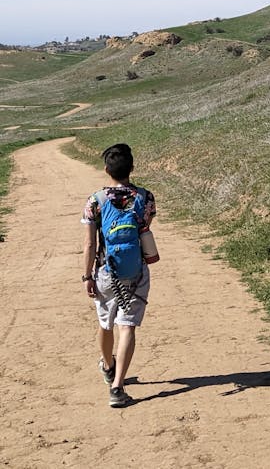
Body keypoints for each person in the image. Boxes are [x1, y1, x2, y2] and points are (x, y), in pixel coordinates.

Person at [81, 143, 157, 407]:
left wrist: (87, 275)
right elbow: (144, 228)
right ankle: (117, 387)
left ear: (106, 170)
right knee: (127, 327)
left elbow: (90, 244)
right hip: (135, 271)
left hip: (105, 271)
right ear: (132, 168)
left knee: (105, 323)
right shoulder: (146, 197)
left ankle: (108, 365)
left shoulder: (95, 201)